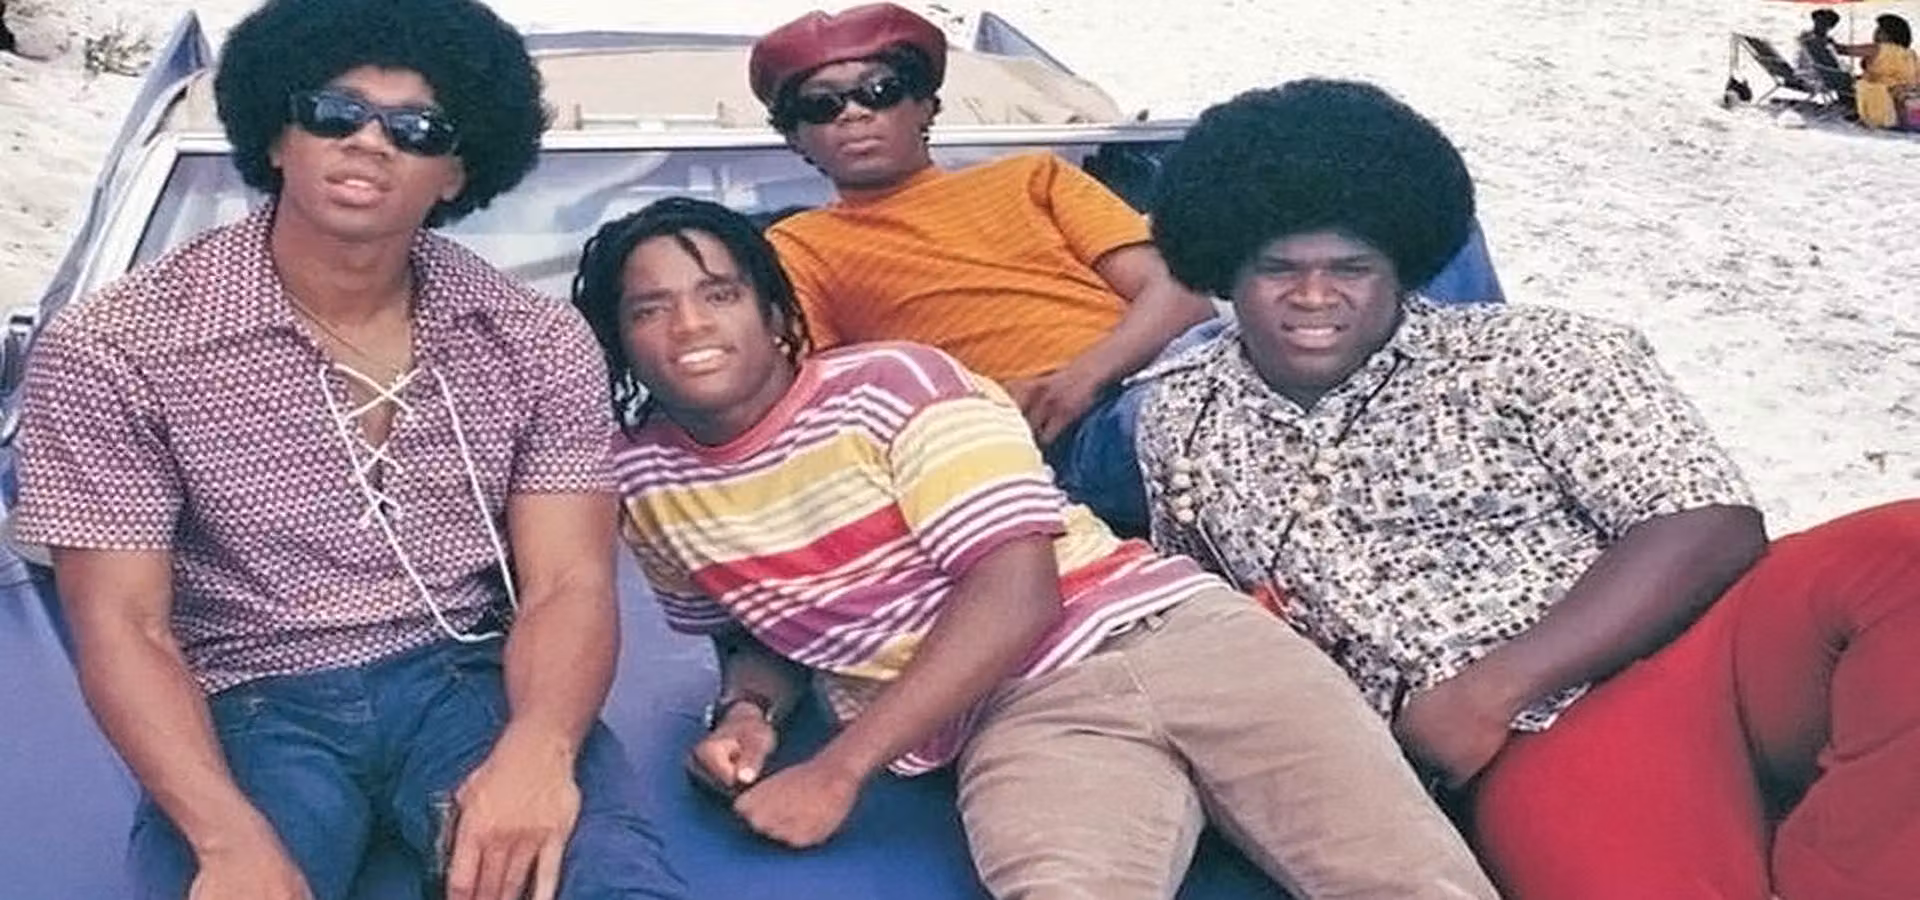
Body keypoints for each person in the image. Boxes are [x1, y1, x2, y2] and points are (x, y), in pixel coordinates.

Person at [571, 196, 1501, 900]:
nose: (689, 325)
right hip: (1017, 717)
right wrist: (748, 714)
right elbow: (758, 628)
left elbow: (1017, 592)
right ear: (618, 340)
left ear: (776, 315)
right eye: (649, 309)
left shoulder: (893, 384)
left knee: (1409, 883)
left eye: (719, 293)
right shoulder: (639, 484)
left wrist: (839, 768)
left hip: (1181, 640)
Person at [1136, 78, 1920, 899]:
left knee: (1900, 552)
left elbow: (1708, 521)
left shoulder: (1530, 351)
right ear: (1225, 269)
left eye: (1351, 268)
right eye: (1278, 269)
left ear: (1400, 266)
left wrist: (1493, 689)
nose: (1314, 296)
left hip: (1703, 653)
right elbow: (1207, 625)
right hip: (1541, 746)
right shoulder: (1182, 416)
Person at [11, 1, 686, 898]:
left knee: (607, 881)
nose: (369, 142)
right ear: (277, 135)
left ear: (455, 170)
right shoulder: (116, 345)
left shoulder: (535, 338)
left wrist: (540, 750)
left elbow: (568, 581)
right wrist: (225, 839)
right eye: (334, 112)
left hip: (470, 680)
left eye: (416, 129)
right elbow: (123, 625)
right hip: (244, 698)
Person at [746, 2, 1219, 537]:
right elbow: (829, 405)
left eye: (880, 91)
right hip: (1054, 436)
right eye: (821, 105)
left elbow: (1182, 297)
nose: (853, 113)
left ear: (925, 105)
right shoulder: (796, 247)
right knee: (1195, 421)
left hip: (1169, 367)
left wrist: (1083, 377)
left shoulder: (1033, 176)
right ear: (795, 137)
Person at [1837, 13, 1919, 128]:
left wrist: (1827, 42)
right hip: (1906, 94)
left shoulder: (1877, 48)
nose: (1875, 33)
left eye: (1879, 30)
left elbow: (1845, 50)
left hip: (1884, 96)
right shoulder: (1911, 54)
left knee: (1859, 85)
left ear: (1888, 34)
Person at [1793, 8, 1854, 104]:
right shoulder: (1813, 41)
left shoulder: (1809, 37)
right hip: (1812, 76)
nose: (1820, 25)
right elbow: (1828, 63)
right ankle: (1847, 100)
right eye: (1820, 22)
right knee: (1844, 77)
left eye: (1823, 22)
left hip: (1806, 72)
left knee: (1842, 73)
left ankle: (1846, 99)